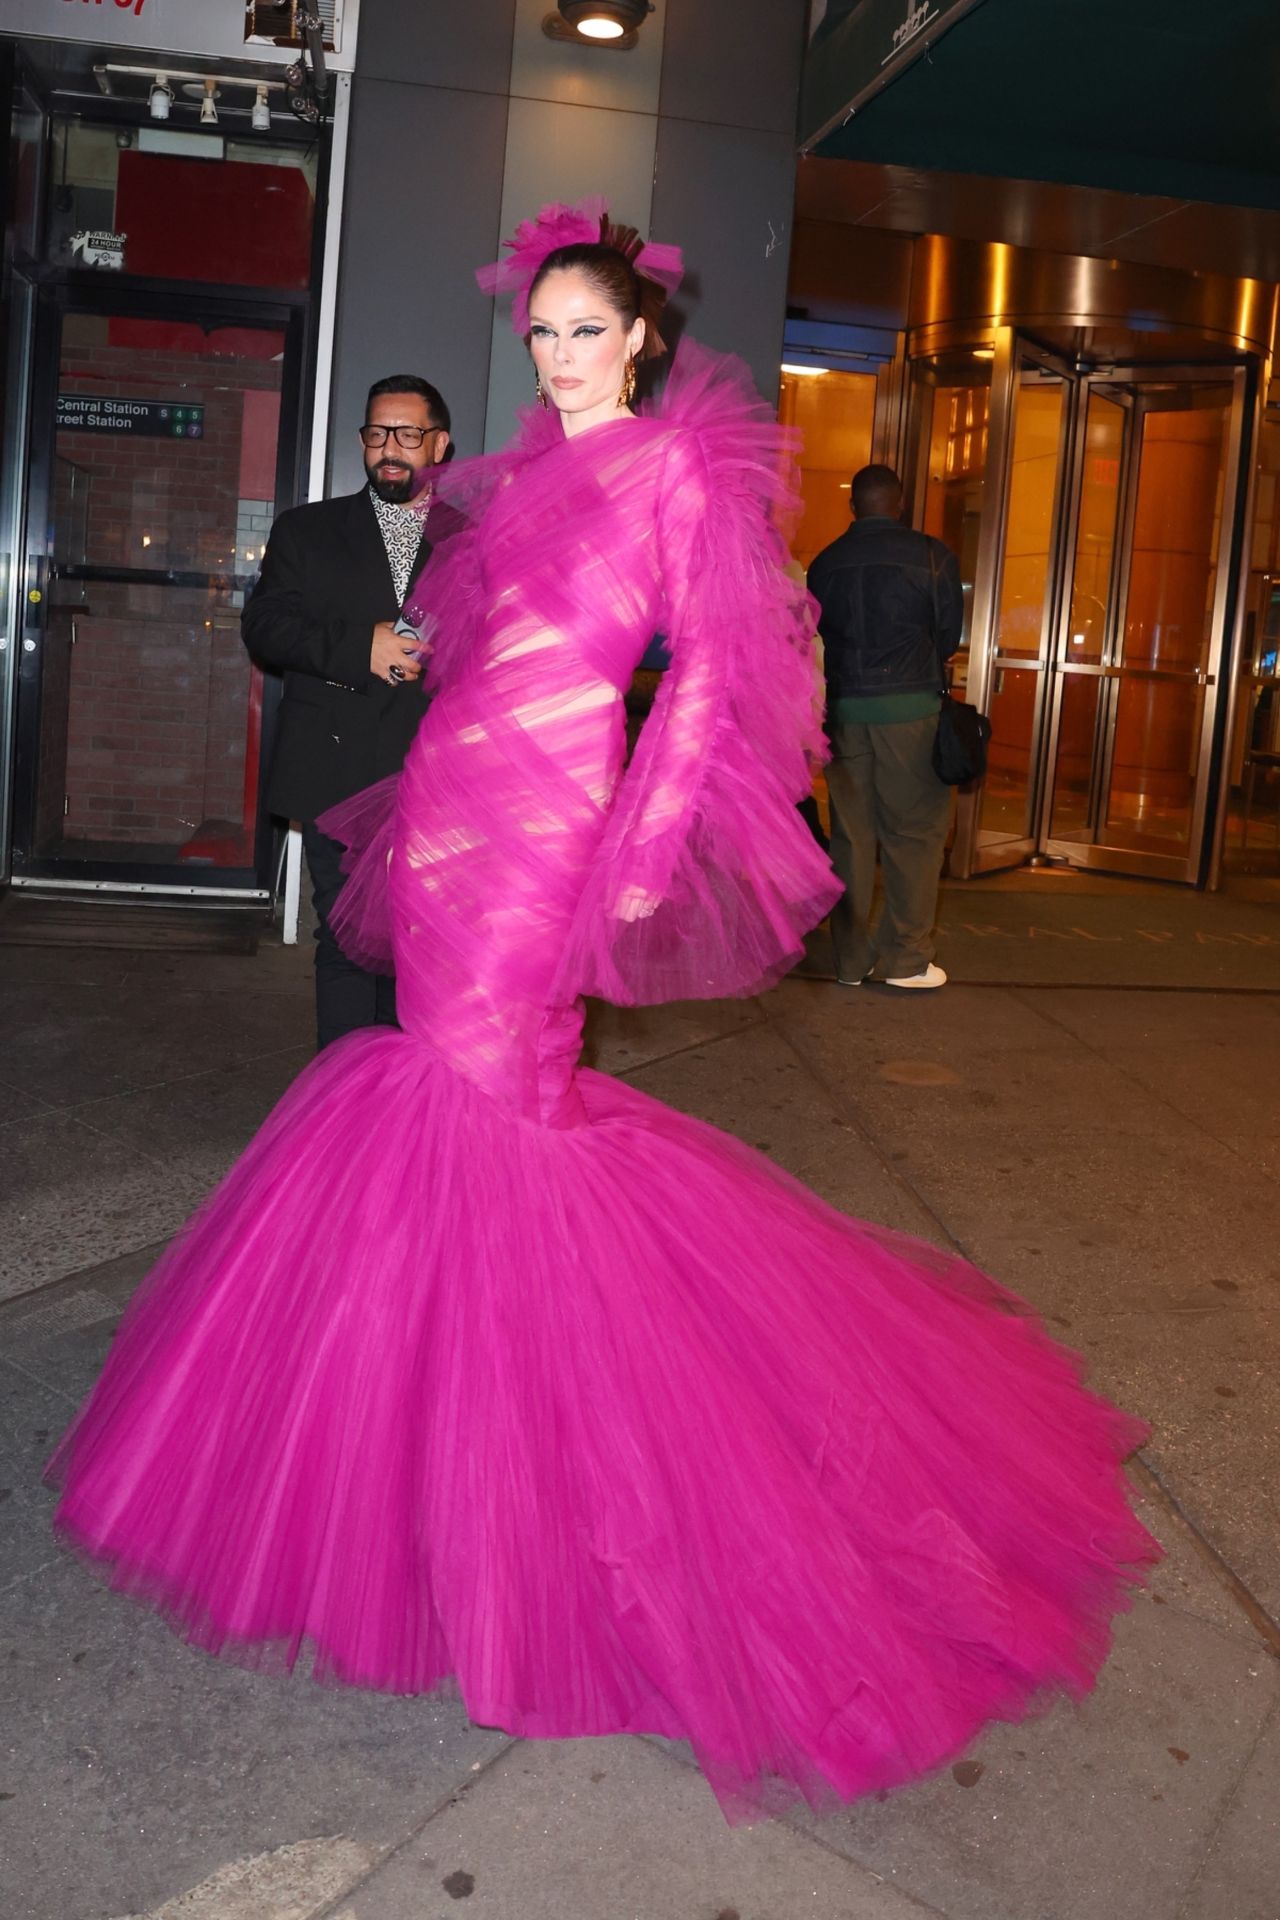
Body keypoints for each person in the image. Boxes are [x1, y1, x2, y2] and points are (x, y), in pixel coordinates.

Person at [50, 201, 1156, 1823]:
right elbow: (466, 661)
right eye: (544, 334)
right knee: (426, 1096)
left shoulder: (680, 475)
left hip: (562, 814)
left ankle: (525, 1497)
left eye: (588, 330)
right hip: (450, 807)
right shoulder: (506, 480)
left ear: (639, 336)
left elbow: (711, 673)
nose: (563, 358)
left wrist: (637, 852)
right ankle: (417, 1455)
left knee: (511, 1111)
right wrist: (426, 790)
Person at [243, 374, 452, 1048]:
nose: (389, 448)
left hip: (437, 784)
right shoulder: (307, 529)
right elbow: (267, 628)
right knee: (348, 941)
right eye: (376, 433)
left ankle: (392, 1104)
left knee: (416, 954)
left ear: (440, 445)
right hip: (336, 773)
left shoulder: (472, 540)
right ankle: (340, 1105)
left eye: (408, 435)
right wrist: (358, 646)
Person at [809, 464, 963, 990]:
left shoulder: (825, 563)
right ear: (900, 504)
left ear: (854, 507)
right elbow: (946, 636)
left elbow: (821, 631)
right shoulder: (931, 556)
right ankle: (907, 960)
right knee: (914, 835)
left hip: (846, 710)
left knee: (851, 839)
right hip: (910, 714)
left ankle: (850, 962)